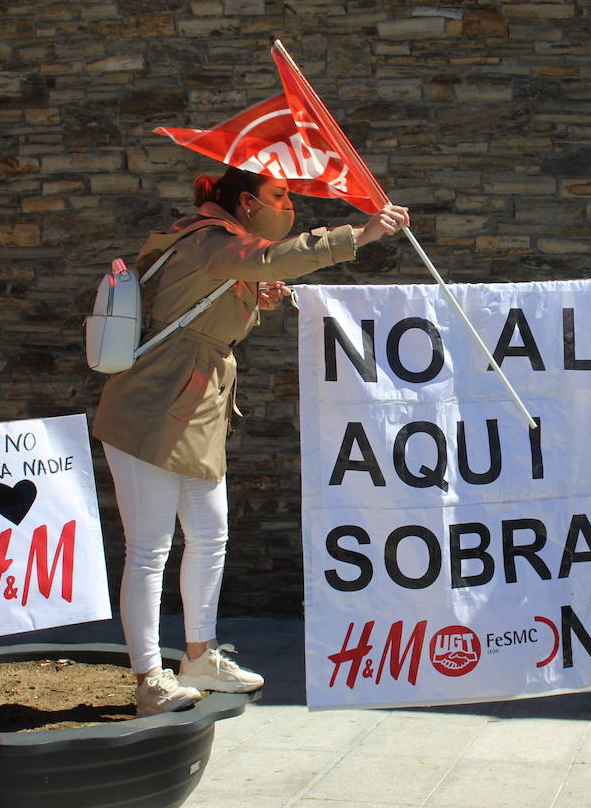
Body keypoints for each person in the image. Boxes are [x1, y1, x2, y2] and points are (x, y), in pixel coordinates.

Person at [92, 165, 410, 716]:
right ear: (244, 202)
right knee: (149, 549)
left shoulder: (213, 243)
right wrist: (361, 234)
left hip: (192, 406)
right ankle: (149, 677)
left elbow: (206, 306)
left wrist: (253, 299)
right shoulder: (210, 240)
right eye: (278, 195)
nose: (286, 206)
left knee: (210, 535)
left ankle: (199, 656)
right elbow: (271, 257)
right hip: (151, 409)